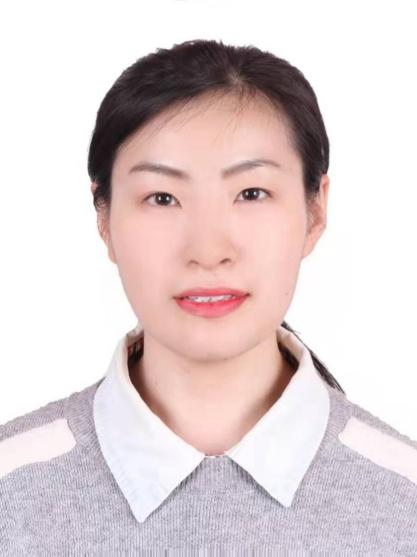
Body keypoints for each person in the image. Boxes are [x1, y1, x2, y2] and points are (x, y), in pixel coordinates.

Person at [1, 39, 416, 554]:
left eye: (251, 193)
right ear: (103, 218)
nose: (208, 251)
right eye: (162, 198)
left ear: (315, 211)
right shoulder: (11, 489)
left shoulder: (405, 500)